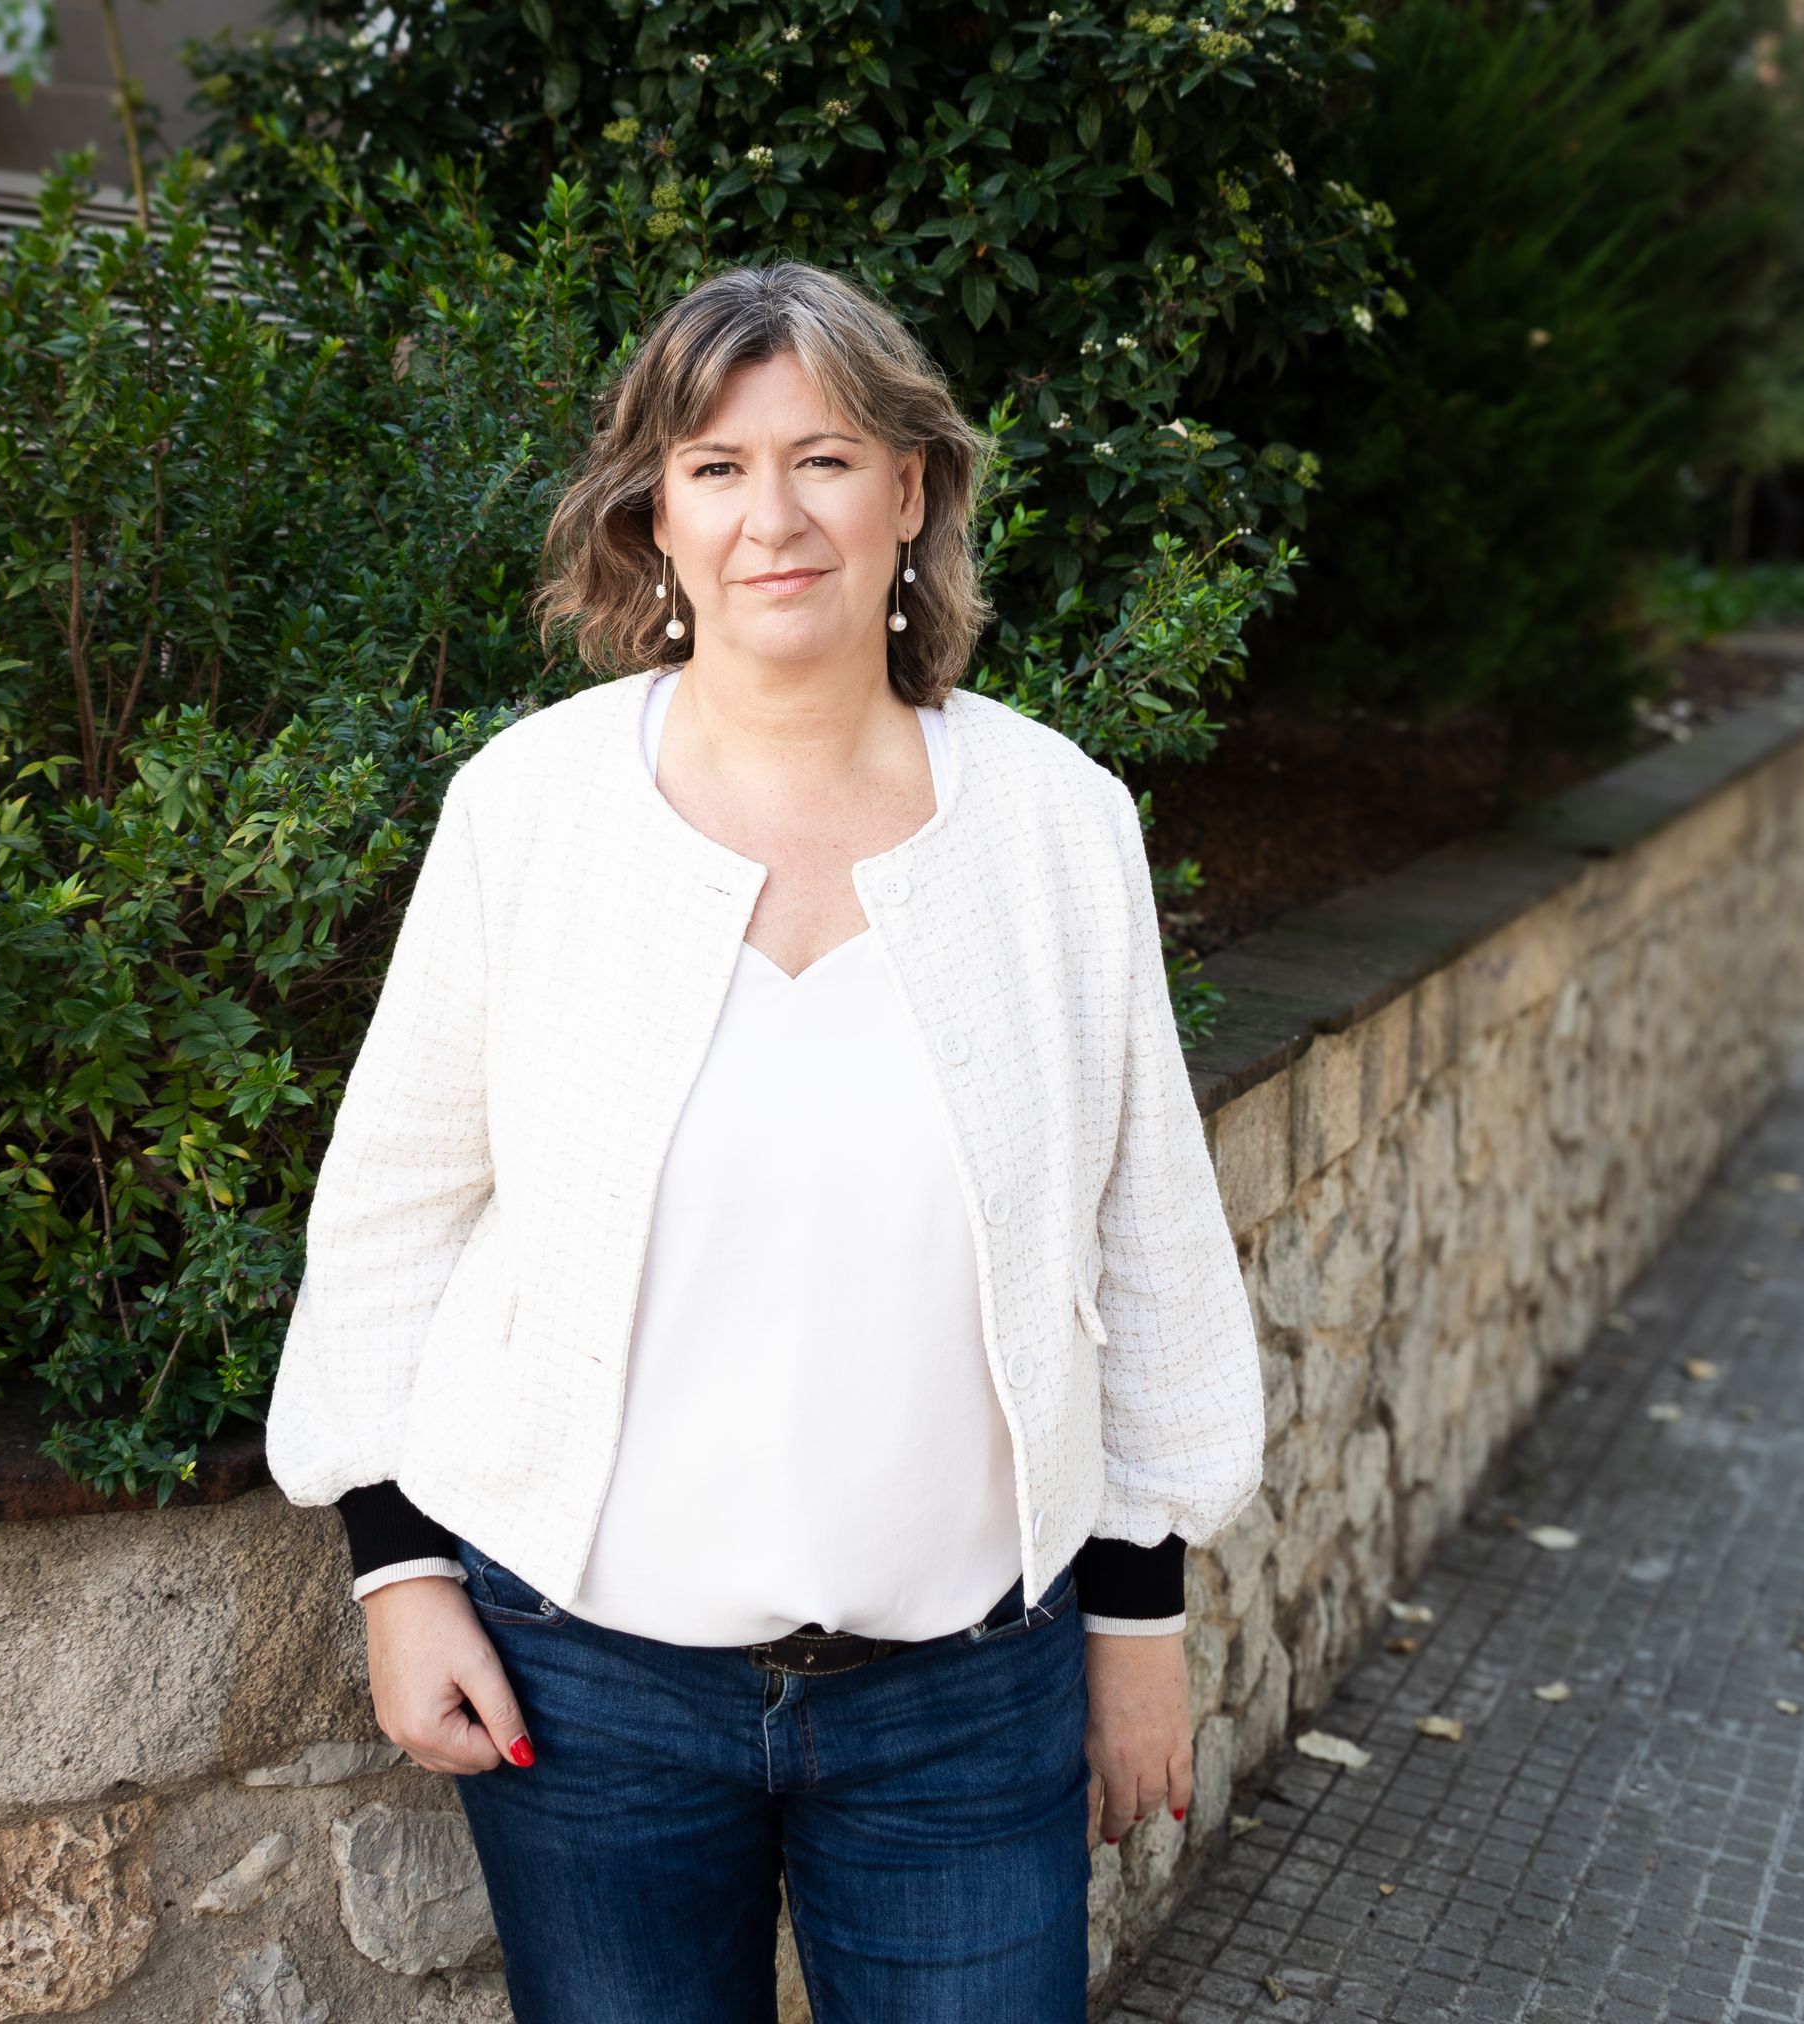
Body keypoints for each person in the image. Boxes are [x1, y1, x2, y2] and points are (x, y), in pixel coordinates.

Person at [264, 256, 1265, 2023]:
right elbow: (395, 1210)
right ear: (653, 513)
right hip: (587, 1696)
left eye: (825, 458)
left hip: (972, 1699)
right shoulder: (530, 813)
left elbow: (1147, 1244)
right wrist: (399, 1572)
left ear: (911, 492)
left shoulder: (1056, 824)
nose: (771, 517)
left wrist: (1138, 1625)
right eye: (715, 466)